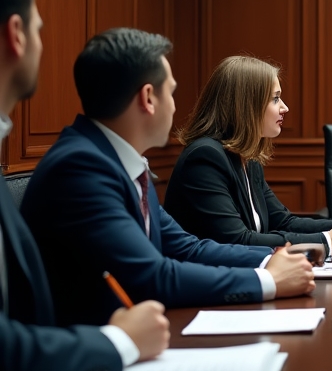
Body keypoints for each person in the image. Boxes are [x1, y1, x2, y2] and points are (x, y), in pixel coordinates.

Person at [21, 29, 315, 327]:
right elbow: (154, 276)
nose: (175, 106)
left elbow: (188, 248)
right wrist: (267, 280)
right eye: (171, 93)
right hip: (88, 351)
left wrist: (269, 259)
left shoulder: (119, 161)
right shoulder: (82, 168)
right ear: (148, 98)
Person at [0, 0, 168, 371]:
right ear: (15, 35)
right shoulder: (83, 163)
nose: (41, 42)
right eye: (38, 28)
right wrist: (118, 343)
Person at [164, 55, 332, 253]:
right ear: (246, 106)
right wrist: (327, 241)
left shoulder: (246, 157)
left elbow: (282, 221)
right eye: (275, 98)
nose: (285, 107)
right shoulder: (205, 158)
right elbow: (236, 240)